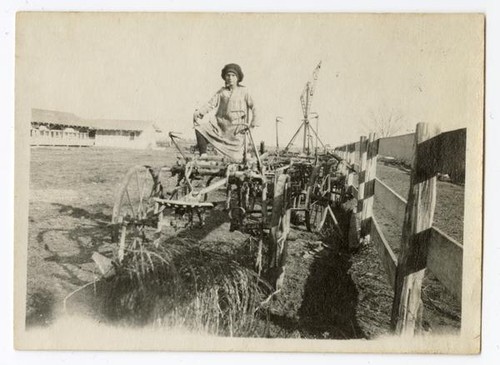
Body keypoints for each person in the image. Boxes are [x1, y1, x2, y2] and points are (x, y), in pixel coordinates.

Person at [193, 63, 258, 161]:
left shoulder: (244, 92)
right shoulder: (221, 92)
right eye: (228, 75)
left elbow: (255, 107)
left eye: (233, 75)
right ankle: (203, 155)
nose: (230, 78)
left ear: (238, 78)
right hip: (220, 127)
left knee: (236, 159)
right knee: (200, 129)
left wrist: (253, 123)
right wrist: (200, 112)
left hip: (236, 131)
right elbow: (211, 104)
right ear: (224, 77)